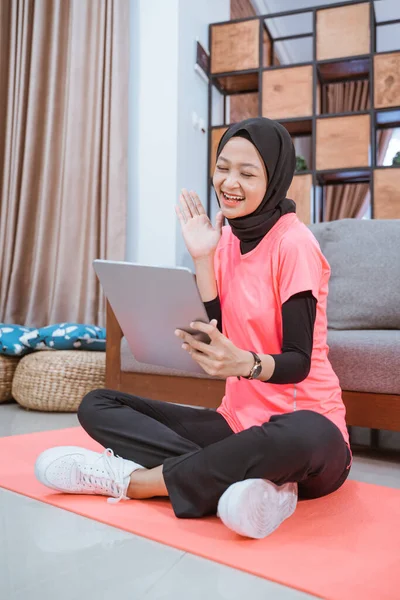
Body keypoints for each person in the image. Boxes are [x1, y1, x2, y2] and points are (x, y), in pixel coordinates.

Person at [35, 117, 352, 539]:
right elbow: (215, 324)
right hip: (236, 423)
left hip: (308, 430)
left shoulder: (294, 245)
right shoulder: (223, 242)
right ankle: (256, 483)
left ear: (274, 178)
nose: (229, 182)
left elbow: (298, 362)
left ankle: (132, 482)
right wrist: (202, 256)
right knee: (98, 404)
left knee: (301, 434)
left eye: (247, 172)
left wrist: (245, 363)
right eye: (223, 167)